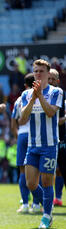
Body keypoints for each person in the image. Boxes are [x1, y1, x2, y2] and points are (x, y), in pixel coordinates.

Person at [20, 59, 63, 229]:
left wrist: (40, 97)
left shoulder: (55, 92)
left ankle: (46, 215)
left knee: (46, 182)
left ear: (47, 73)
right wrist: (32, 99)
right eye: (35, 70)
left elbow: (51, 112)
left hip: (50, 145)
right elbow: (22, 118)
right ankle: (48, 205)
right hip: (32, 144)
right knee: (31, 183)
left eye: (41, 71)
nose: (38, 73)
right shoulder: (25, 94)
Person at [12, 73, 36, 213]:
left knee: (22, 170)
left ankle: (25, 203)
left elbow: (13, 122)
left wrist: (18, 136)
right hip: (36, 135)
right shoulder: (41, 96)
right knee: (37, 170)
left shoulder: (19, 99)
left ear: (25, 85)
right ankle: (37, 204)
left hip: (22, 135)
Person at [48, 68, 65, 207]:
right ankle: (56, 198)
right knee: (56, 170)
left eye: (53, 79)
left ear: (58, 81)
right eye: (49, 78)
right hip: (50, 137)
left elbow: (59, 119)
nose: (51, 81)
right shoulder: (42, 95)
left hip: (62, 137)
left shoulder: (61, 95)